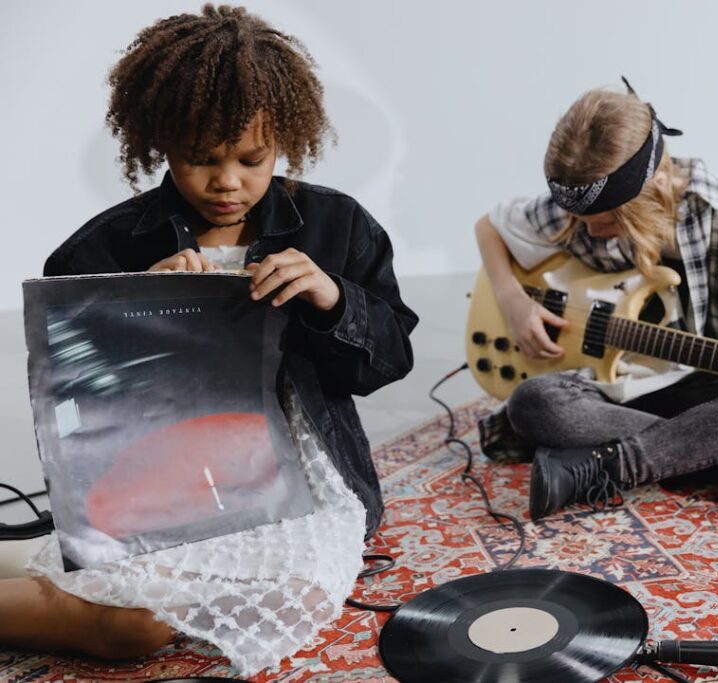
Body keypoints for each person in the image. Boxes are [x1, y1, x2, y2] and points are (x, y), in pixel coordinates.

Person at [0, 5, 417, 675]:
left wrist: (331, 297)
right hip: (159, 477)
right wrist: (136, 311)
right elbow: (71, 408)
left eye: (252, 160)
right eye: (200, 159)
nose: (227, 182)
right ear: (159, 142)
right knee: (136, 626)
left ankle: (42, 568)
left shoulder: (336, 224)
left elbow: (390, 358)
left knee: (301, 592)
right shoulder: (101, 247)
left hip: (298, 477)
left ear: (287, 137)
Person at [474, 80, 718, 520]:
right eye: (582, 220)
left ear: (653, 186)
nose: (590, 232)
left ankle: (605, 467)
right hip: (609, 390)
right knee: (532, 403)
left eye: (607, 221)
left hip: (695, 388)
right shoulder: (584, 200)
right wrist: (512, 301)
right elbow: (490, 226)